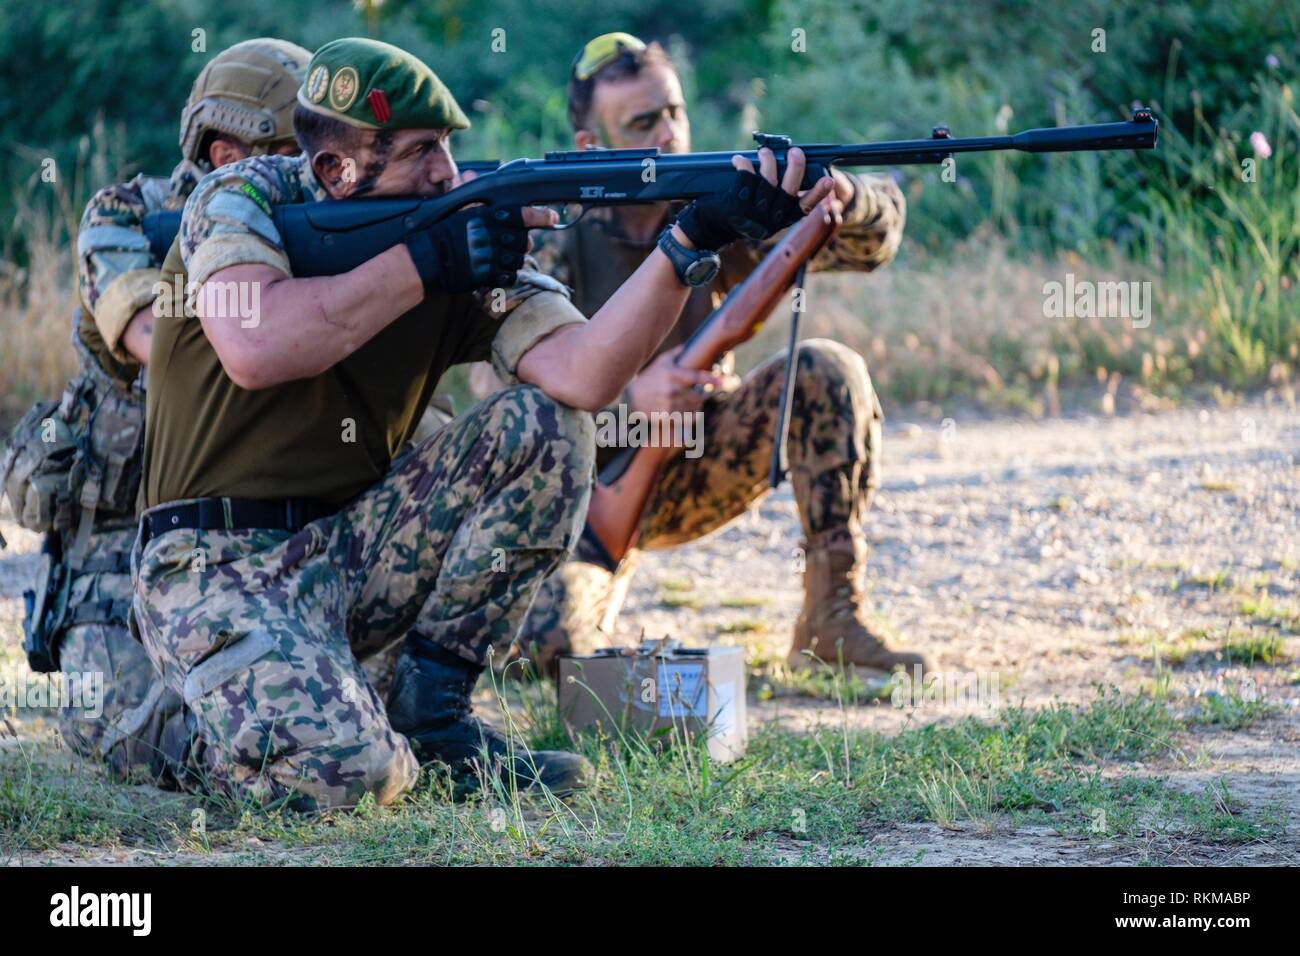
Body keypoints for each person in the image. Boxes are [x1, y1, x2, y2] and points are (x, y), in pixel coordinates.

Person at [132, 37, 832, 810]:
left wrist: (690, 243)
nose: (446, 173)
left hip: (355, 545)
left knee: (547, 425)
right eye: (422, 152)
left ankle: (434, 718)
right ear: (335, 170)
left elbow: (586, 373)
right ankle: (177, 728)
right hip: (213, 561)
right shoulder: (240, 200)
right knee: (354, 780)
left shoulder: (456, 233)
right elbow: (258, 344)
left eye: (450, 149)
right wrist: (425, 265)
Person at [502, 33, 928, 678]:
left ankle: (831, 623)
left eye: (674, 112)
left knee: (826, 368)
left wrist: (839, 193)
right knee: (542, 649)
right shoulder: (552, 230)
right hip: (579, 493)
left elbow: (871, 246)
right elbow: (500, 397)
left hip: (702, 455)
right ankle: (590, 598)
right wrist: (630, 399)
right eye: (643, 122)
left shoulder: (725, 206)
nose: (669, 134)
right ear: (591, 146)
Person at [1, 38, 309, 783]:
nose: (315, 174)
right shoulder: (130, 216)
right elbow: (149, 337)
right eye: (296, 153)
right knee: (126, 735)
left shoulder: (310, 223)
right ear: (228, 147)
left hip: (254, 543)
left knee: (329, 715)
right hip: (115, 559)